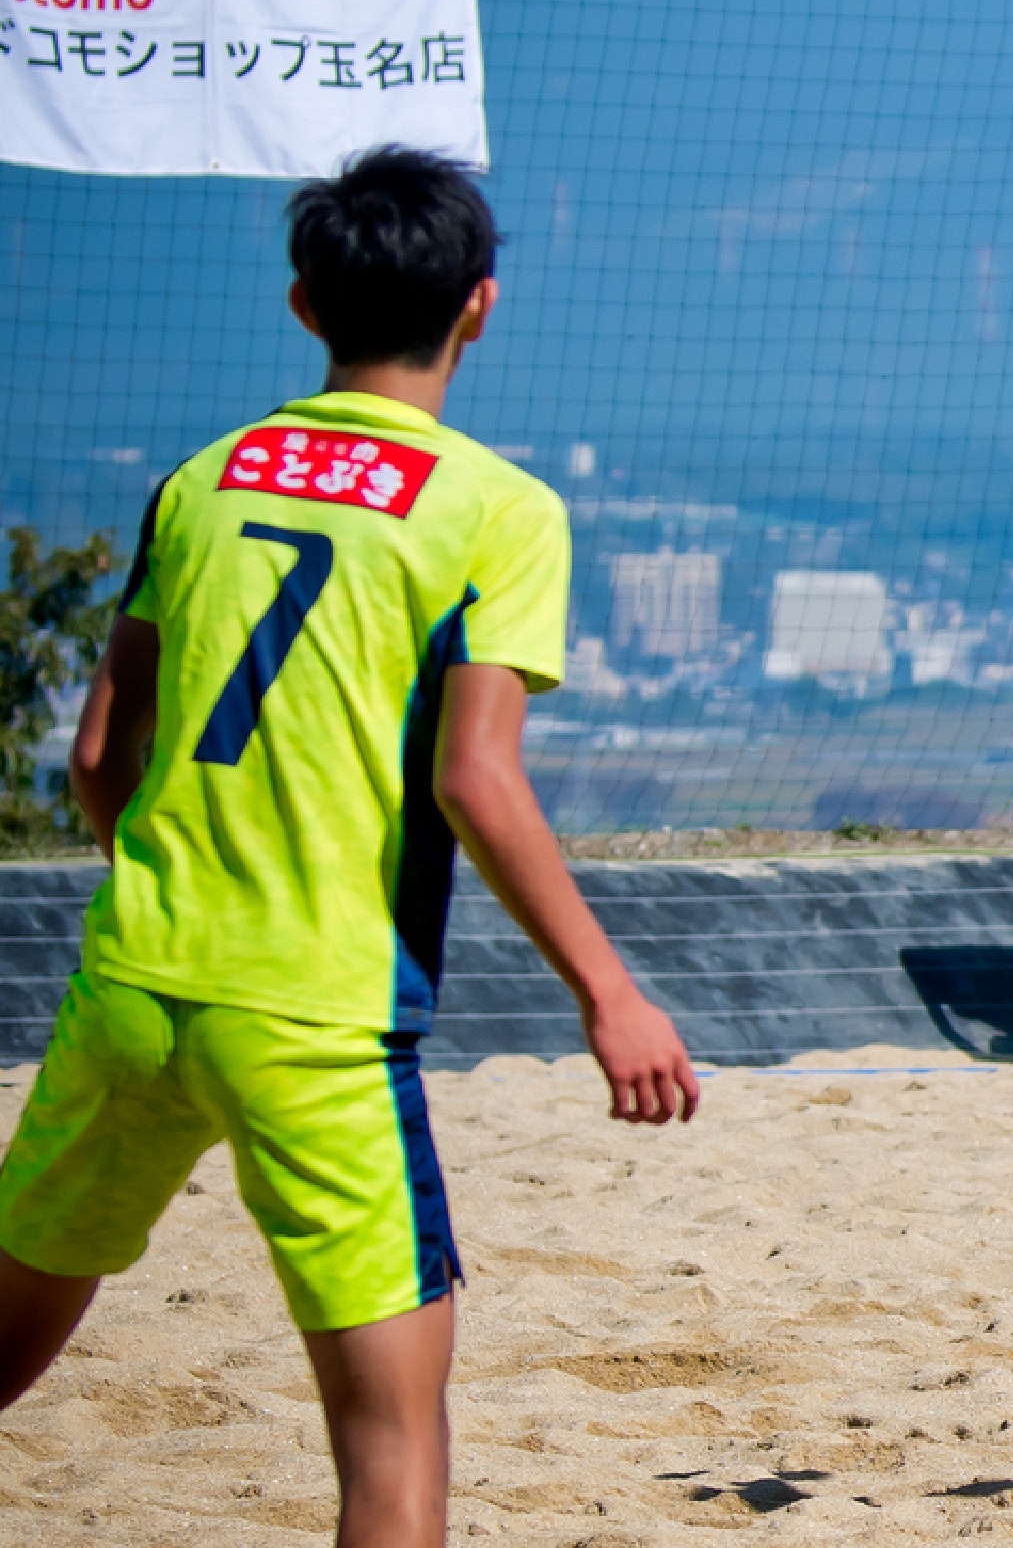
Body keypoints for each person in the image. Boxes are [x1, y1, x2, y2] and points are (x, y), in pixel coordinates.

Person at [0, 146, 702, 1548]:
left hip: (133, 982)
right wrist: (609, 992)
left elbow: (95, 761)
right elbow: (476, 780)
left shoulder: (200, 482)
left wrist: (181, 874)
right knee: (391, 1449)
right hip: (318, 1016)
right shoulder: (497, 508)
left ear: (303, 303)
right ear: (481, 304)